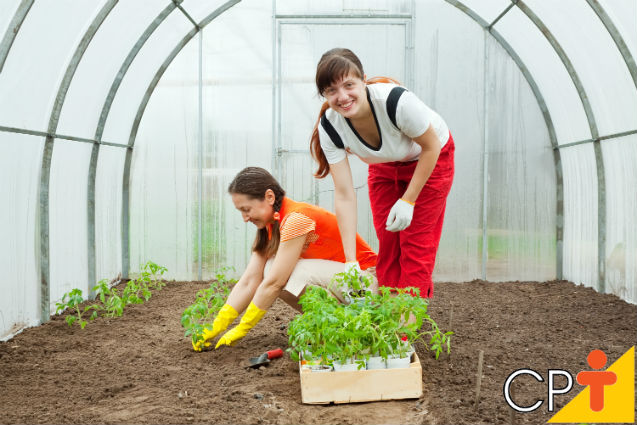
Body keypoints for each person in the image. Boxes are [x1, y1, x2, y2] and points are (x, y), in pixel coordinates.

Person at [310, 48, 455, 299]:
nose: (342, 97)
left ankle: (404, 331)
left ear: (363, 79)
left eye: (349, 85)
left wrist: (408, 200)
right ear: (324, 94)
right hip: (384, 165)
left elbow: (431, 147)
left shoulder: (396, 103)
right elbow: (344, 195)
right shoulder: (330, 126)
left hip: (430, 158)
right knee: (388, 242)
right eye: (331, 90)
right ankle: (390, 314)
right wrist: (350, 260)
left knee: (415, 245)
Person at [192, 166, 377, 351]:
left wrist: (242, 327)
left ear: (269, 197)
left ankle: (345, 326)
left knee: (286, 273)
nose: (244, 218)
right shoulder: (270, 226)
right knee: (271, 268)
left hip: (365, 282)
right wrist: (217, 325)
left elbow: (275, 283)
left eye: (246, 209)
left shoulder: (296, 218)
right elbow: (250, 280)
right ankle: (338, 328)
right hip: (343, 283)